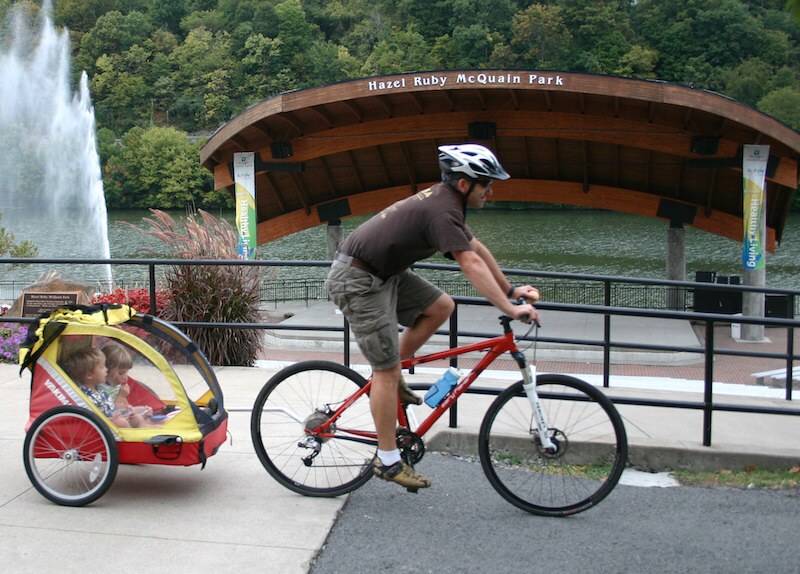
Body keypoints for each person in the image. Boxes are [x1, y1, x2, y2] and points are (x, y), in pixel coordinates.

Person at [326, 143, 540, 491]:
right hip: (358, 280)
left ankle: (393, 374)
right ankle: (388, 460)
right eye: (486, 184)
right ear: (464, 184)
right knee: (384, 370)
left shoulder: (448, 204)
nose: (491, 191)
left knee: (441, 306)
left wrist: (510, 289)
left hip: (385, 274)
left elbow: (475, 249)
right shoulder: (442, 210)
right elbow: (469, 263)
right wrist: (510, 308)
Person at [61, 346, 135, 428]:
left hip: (112, 418)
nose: (107, 370)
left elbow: (110, 407)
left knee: (135, 416)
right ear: (89, 375)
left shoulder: (98, 389)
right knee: (122, 422)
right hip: (104, 428)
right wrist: (115, 418)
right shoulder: (88, 396)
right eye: (102, 367)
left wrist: (124, 410)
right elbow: (97, 420)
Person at [100, 342, 155, 426]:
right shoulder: (101, 387)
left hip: (121, 415)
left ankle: (146, 426)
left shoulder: (117, 385)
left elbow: (125, 406)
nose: (125, 377)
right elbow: (111, 410)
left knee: (140, 414)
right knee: (132, 420)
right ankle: (143, 429)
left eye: (126, 372)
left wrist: (134, 409)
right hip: (111, 421)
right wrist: (121, 396)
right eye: (121, 373)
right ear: (106, 370)